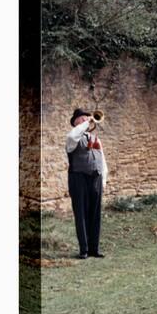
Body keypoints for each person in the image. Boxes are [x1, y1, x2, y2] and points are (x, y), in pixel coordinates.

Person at [66, 108, 108, 259]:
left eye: (87, 118)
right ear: (76, 122)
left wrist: (103, 180)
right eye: (82, 119)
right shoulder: (72, 137)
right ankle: (83, 250)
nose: (86, 121)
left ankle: (93, 249)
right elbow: (73, 135)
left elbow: (102, 160)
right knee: (81, 214)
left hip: (95, 178)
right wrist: (86, 123)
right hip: (79, 178)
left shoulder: (95, 138)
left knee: (95, 214)